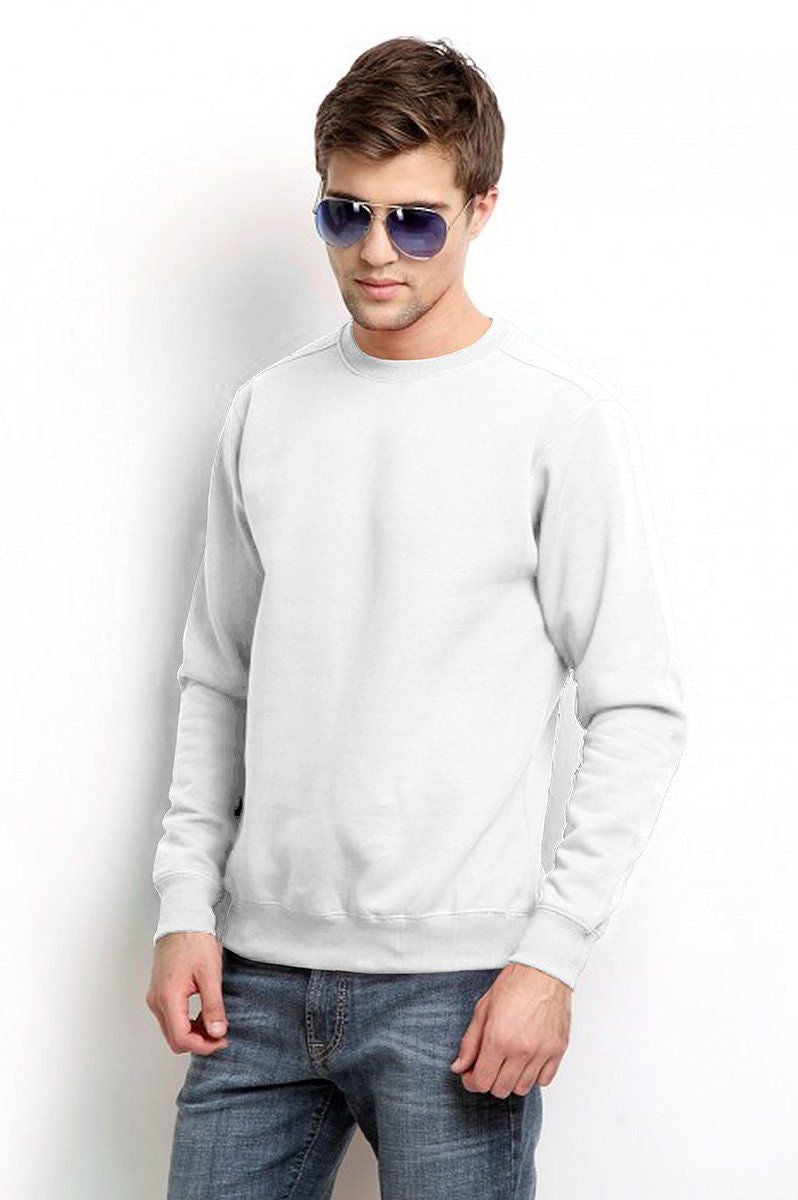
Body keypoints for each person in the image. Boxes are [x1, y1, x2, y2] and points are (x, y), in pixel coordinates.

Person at [145, 35, 687, 1199]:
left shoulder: (551, 423)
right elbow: (217, 679)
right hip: (253, 980)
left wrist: (549, 958)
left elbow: (635, 707)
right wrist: (183, 906)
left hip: (457, 992)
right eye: (344, 214)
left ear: (480, 209)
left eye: (415, 221)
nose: (375, 251)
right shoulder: (264, 413)